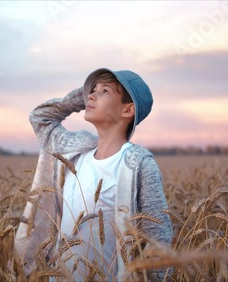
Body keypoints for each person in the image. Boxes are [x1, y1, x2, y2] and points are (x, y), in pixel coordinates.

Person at [15, 68, 173, 281]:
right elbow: (40, 117)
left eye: (104, 91)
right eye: (92, 90)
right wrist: (84, 96)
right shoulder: (73, 153)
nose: (91, 95)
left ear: (128, 110)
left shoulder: (137, 163)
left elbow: (158, 241)